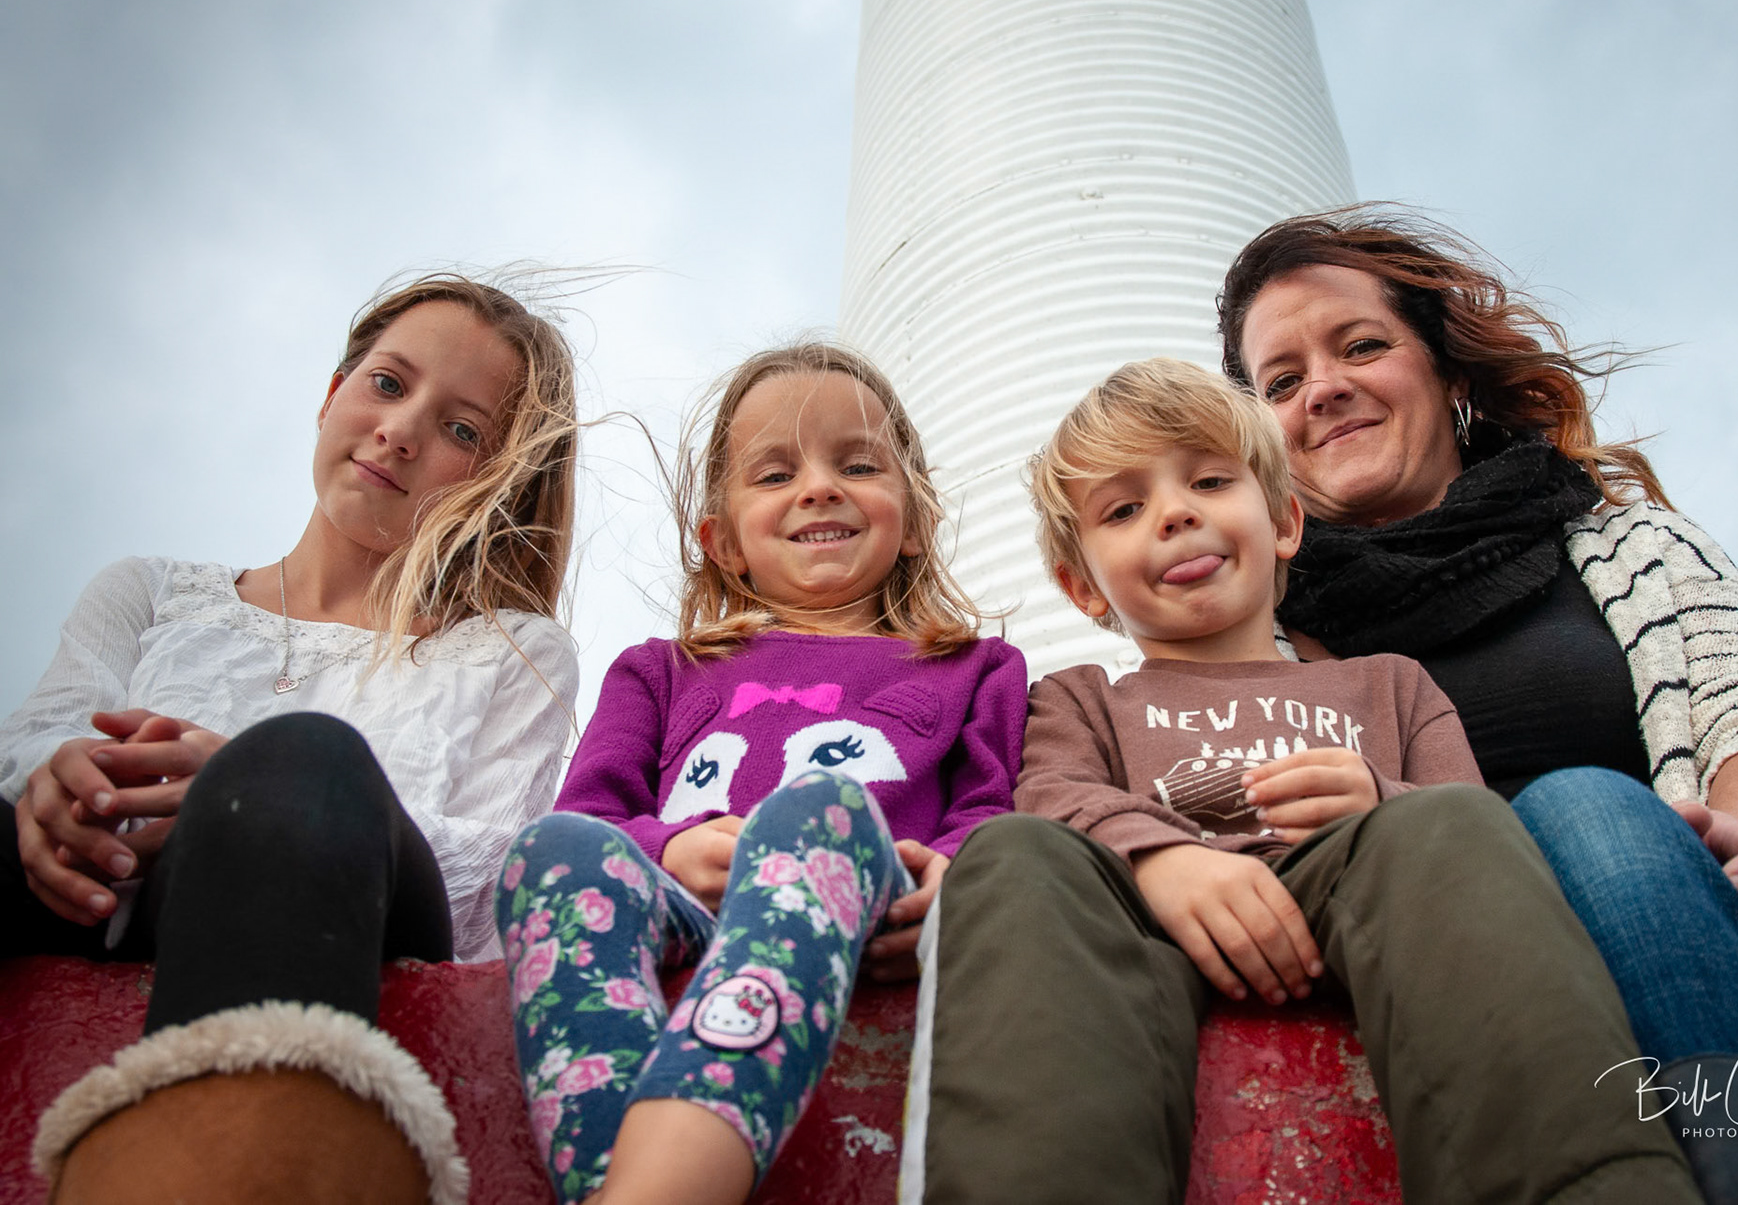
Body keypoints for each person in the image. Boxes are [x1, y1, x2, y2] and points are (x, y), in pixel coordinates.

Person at [1218, 206, 1738, 1201]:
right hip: (1516, 955)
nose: (1323, 388)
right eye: (1282, 382)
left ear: (1450, 376)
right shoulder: (1252, 642)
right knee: (1584, 804)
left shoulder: (1631, 543)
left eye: (1362, 346)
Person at [900, 358, 1701, 1205]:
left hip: (1362, 897)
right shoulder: (1078, 698)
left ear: (1284, 522)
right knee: (1016, 852)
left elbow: (1477, 828)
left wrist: (1380, 803)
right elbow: (1052, 798)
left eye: (1210, 481)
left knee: (1448, 827)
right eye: (1124, 510)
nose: (1175, 514)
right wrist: (1161, 859)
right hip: (1147, 931)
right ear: (1081, 586)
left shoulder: (1393, 684)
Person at [6, 274, 582, 1205]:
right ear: (331, 393)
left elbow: (486, 882)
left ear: (498, 481)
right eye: (387, 384)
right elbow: (40, 732)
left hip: (357, 926)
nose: (401, 431)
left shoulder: (514, 651)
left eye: (462, 429)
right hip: (100, 893)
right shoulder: (149, 591)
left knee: (303, 764)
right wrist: (63, 784)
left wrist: (244, 798)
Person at [495, 343, 1026, 1205]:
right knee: (550, 849)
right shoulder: (659, 670)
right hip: (683, 910)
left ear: (914, 517)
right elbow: (593, 816)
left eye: (858, 465)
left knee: (818, 805)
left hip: (860, 906)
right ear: (723, 542)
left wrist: (952, 879)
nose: (818, 487)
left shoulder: (978, 667)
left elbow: (990, 812)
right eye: (775, 474)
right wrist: (671, 851)